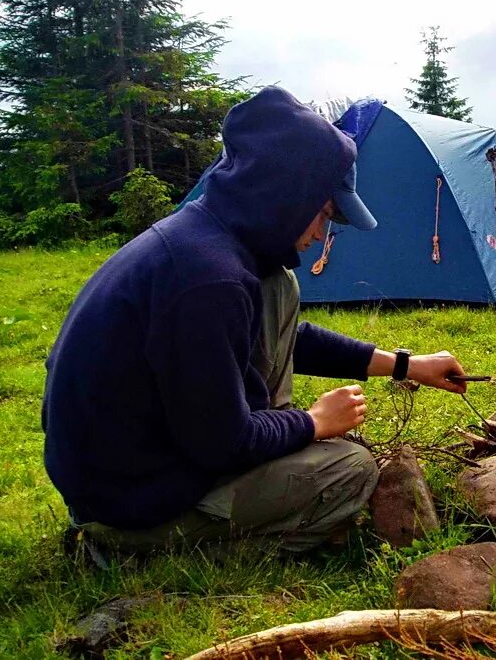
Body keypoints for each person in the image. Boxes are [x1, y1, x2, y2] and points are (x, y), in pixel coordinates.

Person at [42, 86, 466, 553]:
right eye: (323, 214)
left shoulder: (211, 241)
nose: (322, 233)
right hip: (131, 498)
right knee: (350, 469)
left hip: (143, 457)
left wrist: (408, 365)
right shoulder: (208, 280)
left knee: (280, 284)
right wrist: (312, 423)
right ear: (285, 194)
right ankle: (138, 548)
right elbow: (222, 444)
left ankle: (257, 471)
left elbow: (288, 338)